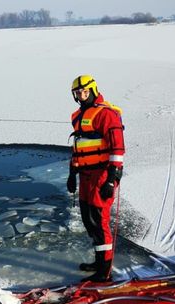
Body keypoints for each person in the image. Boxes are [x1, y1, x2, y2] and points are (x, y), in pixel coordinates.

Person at [67, 75, 125, 282]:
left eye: (84, 92)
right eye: (77, 93)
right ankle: (99, 261)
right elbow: (79, 146)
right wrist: (72, 173)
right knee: (88, 219)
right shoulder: (78, 116)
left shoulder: (106, 114)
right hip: (85, 175)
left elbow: (117, 148)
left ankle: (104, 270)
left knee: (99, 220)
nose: (81, 96)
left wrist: (112, 178)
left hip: (102, 173)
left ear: (92, 90)